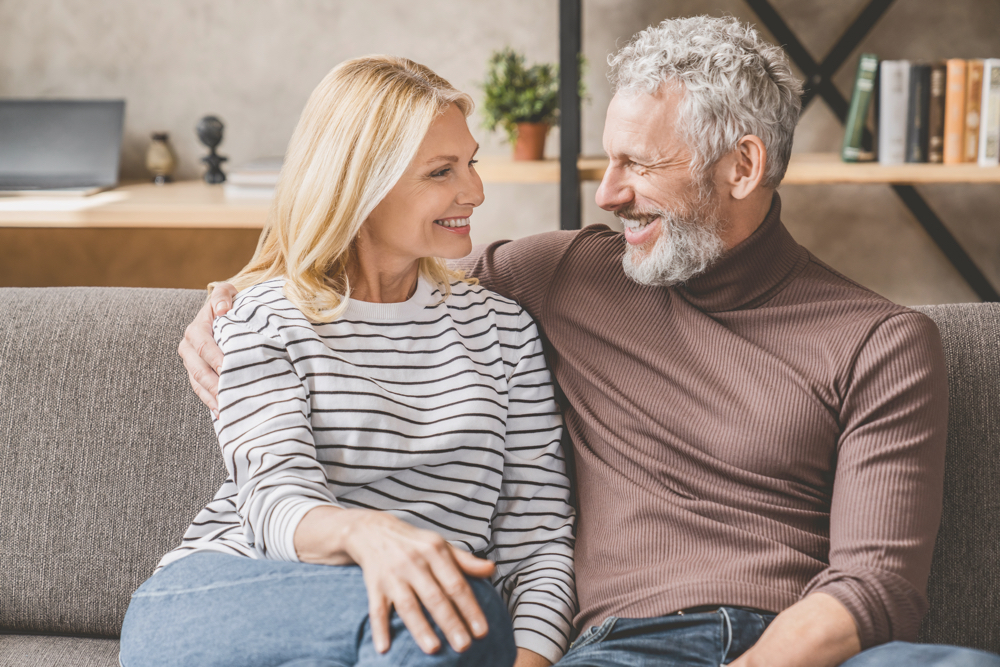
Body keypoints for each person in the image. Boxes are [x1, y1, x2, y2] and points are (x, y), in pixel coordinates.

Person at [183, 17, 1000, 667]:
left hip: (802, 647)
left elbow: (877, 581)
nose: (607, 194)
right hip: (630, 646)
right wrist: (234, 298)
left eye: (637, 165)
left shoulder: (883, 342)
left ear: (742, 167)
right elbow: (374, 260)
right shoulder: (564, 273)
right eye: (607, 161)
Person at [122, 56, 577, 667]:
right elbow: (275, 500)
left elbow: (539, 539)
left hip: (418, 632)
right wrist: (371, 536)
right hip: (223, 601)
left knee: (453, 618)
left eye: (471, 162)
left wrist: (530, 659)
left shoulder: (502, 331)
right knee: (445, 616)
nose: (475, 191)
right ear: (362, 183)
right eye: (441, 171)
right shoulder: (265, 317)